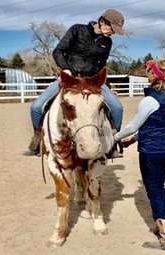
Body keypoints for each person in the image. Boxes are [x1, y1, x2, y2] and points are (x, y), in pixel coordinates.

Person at [23, 9, 125, 157]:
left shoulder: (107, 42)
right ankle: (38, 138)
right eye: (112, 29)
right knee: (36, 107)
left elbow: (102, 65)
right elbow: (58, 51)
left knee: (117, 107)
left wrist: (107, 87)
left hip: (92, 82)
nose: (113, 33)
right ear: (102, 22)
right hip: (70, 79)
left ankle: (114, 142)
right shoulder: (77, 30)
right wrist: (66, 70)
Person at [113, 59, 165, 252]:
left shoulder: (150, 100)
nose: (147, 74)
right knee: (159, 186)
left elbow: (132, 125)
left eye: (148, 71)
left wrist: (115, 137)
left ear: (155, 75)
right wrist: (136, 138)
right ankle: (162, 224)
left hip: (152, 151)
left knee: (155, 190)